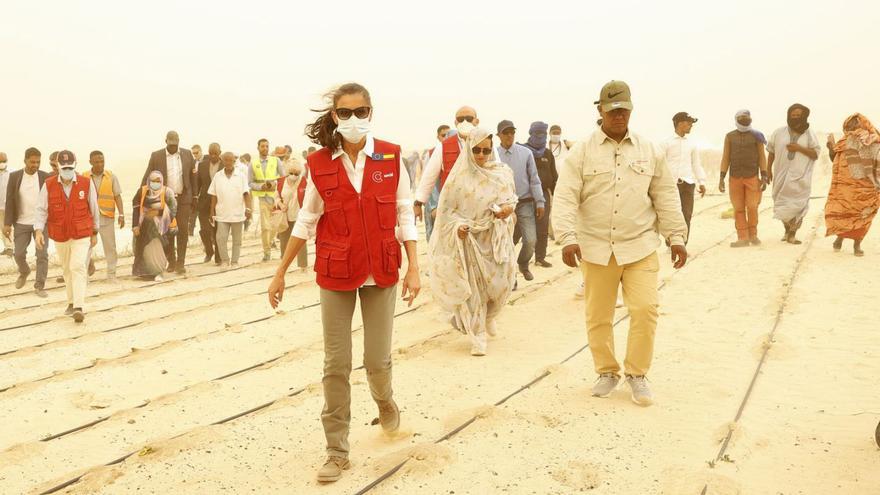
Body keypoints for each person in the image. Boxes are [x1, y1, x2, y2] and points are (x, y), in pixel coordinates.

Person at [267, 83, 420, 483]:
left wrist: (415, 266)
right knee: (336, 364)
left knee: (376, 360)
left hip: (382, 270)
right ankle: (337, 449)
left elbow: (405, 214)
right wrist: (281, 270)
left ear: (371, 112)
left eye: (362, 111)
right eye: (346, 113)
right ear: (335, 117)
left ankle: (384, 402)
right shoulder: (318, 163)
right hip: (335, 273)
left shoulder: (390, 155)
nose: (354, 119)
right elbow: (306, 219)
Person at [553, 80, 688, 407]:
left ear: (631, 109)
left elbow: (665, 195)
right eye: (612, 110)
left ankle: (637, 374)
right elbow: (566, 196)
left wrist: (676, 237)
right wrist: (567, 237)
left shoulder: (649, 149)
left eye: (624, 110)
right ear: (600, 110)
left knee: (645, 309)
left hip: (640, 245)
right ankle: (607, 371)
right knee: (598, 315)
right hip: (596, 248)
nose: (618, 116)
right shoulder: (581, 151)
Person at [429, 127, 517, 356]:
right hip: (469, 242)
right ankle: (477, 336)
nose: (480, 155)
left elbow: (511, 201)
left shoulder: (502, 174)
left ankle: (489, 317)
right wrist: (459, 227)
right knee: (474, 290)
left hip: (495, 240)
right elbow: (447, 213)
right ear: (468, 149)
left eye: (485, 150)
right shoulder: (458, 180)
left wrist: (506, 210)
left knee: (500, 285)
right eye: (476, 150)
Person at [34, 151, 100, 322]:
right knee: (66, 269)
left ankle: (79, 307)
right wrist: (39, 231)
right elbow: (41, 210)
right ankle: (71, 303)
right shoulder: (48, 185)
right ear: (58, 167)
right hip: (60, 234)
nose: (67, 170)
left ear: (75, 165)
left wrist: (95, 231)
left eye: (70, 167)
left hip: (82, 233)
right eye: (64, 168)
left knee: (77, 266)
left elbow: (94, 207)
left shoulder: (86, 183)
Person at [495, 119, 545, 281]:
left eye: (512, 132)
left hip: (524, 203)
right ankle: (511, 278)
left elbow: (534, 179)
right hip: (502, 206)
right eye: (505, 133)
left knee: (531, 240)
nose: (509, 135)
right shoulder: (493, 155)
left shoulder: (525, 153)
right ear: (498, 135)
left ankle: (523, 263)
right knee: (507, 242)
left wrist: (540, 201)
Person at [825, 113, 880, 257]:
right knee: (845, 213)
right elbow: (836, 161)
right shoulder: (844, 141)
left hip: (866, 187)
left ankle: (857, 245)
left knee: (862, 215)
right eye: (849, 126)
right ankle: (839, 239)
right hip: (845, 187)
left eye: (855, 125)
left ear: (862, 124)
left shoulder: (872, 139)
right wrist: (831, 147)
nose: (852, 128)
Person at [141, 130, 196, 274]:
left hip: (183, 198)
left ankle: (181, 263)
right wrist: (141, 198)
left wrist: (194, 196)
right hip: (164, 200)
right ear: (165, 141)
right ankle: (171, 261)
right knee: (167, 231)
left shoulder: (187, 154)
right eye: (170, 144)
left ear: (179, 141)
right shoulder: (156, 156)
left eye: (175, 144)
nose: (173, 147)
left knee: (182, 230)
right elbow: (148, 177)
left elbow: (192, 176)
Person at [413, 106, 480, 222]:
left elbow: (498, 173)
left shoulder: (486, 143)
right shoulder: (443, 147)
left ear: (476, 121)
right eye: (460, 119)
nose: (464, 122)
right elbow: (429, 176)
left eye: (469, 118)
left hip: (480, 205)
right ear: (455, 122)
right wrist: (418, 203)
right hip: (453, 208)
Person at [768, 104, 820, 244]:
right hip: (780, 175)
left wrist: (798, 148)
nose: (795, 117)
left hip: (801, 176)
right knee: (781, 204)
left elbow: (815, 154)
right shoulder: (779, 132)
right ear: (788, 115)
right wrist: (767, 169)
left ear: (804, 117)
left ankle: (792, 233)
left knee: (798, 205)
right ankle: (786, 230)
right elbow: (771, 152)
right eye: (793, 115)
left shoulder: (809, 133)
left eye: (798, 115)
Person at [3, 147, 50, 297]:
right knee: (18, 254)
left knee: (42, 255)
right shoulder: (15, 176)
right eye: (32, 162)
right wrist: (7, 223)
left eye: (38, 162)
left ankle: (39, 285)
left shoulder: (45, 177)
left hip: (40, 224)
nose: (35, 165)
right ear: (25, 161)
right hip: (21, 223)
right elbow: (10, 201)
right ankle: (24, 271)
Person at [719, 110, 770, 247]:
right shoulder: (730, 136)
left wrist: (764, 176)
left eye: (746, 117)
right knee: (738, 208)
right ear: (736, 119)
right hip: (734, 177)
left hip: (752, 177)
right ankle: (742, 237)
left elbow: (762, 157)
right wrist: (721, 178)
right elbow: (726, 157)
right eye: (741, 118)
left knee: (752, 206)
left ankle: (753, 235)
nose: (744, 119)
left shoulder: (757, 136)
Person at [660, 112, 707, 243]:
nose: (691, 125)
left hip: (688, 183)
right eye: (689, 122)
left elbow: (696, 164)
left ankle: (682, 244)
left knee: (687, 215)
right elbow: (659, 165)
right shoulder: (665, 143)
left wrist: (701, 181)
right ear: (679, 123)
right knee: (672, 215)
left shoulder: (691, 144)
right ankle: (671, 243)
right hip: (671, 184)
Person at [83, 150, 125, 281]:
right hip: (89, 219)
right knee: (86, 248)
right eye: (97, 162)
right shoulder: (83, 177)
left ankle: (111, 274)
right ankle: (84, 276)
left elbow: (117, 196)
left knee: (110, 247)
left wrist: (122, 214)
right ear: (90, 162)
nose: (100, 164)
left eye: (102, 161)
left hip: (107, 217)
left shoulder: (111, 176)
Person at [522, 121, 557, 268]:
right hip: (526, 196)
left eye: (543, 133)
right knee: (525, 229)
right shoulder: (523, 151)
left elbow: (553, 176)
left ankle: (540, 258)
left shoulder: (548, 154)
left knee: (542, 228)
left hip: (543, 195)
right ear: (531, 134)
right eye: (537, 133)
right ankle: (523, 259)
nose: (540, 136)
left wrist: (557, 194)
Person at [132, 171, 177, 281]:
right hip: (145, 227)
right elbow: (136, 209)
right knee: (145, 249)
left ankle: (159, 272)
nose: (155, 183)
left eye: (158, 181)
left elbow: (173, 210)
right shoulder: (142, 191)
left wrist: (158, 213)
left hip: (162, 227)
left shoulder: (167, 192)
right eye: (153, 181)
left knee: (159, 250)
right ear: (148, 181)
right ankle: (145, 273)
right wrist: (135, 226)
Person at [209, 152, 252, 266]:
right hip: (222, 213)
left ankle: (234, 261)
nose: (228, 162)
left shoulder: (241, 176)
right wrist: (211, 211)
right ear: (222, 161)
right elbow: (213, 195)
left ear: (234, 161)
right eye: (226, 160)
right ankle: (225, 260)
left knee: (237, 240)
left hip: (237, 213)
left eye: (230, 160)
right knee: (220, 238)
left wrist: (248, 208)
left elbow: (246, 194)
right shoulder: (218, 176)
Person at [249, 138, 283, 261]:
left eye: (267, 146)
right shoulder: (252, 163)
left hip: (275, 198)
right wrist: (260, 186)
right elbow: (250, 183)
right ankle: (267, 252)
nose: (265, 148)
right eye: (262, 146)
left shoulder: (276, 161)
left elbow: (283, 177)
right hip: (262, 198)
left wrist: (275, 183)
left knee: (275, 226)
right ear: (258, 148)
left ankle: (271, 241)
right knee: (265, 227)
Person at [276, 159, 308, 270]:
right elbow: (276, 197)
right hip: (285, 215)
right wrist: (280, 204)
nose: (293, 176)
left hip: (299, 216)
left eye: (296, 174)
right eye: (291, 173)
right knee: (284, 240)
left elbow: (308, 198)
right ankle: (284, 265)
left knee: (300, 240)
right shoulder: (280, 182)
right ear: (287, 171)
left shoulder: (304, 182)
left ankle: (303, 265)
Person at [195, 143, 222, 264]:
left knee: (218, 230)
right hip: (204, 203)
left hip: (220, 202)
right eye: (211, 153)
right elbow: (198, 185)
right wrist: (195, 199)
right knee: (204, 230)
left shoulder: (224, 165)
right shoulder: (202, 165)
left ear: (220, 152)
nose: (213, 156)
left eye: (215, 153)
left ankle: (218, 256)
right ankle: (209, 251)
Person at [188, 144, 203, 236]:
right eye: (193, 153)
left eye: (196, 153)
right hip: (195, 191)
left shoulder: (206, 161)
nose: (195, 155)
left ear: (201, 151)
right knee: (193, 213)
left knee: (202, 214)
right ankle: (190, 232)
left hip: (204, 190)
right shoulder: (192, 162)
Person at [0, 152, 12, 256]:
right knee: (1, 227)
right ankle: (7, 247)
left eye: (4, 161)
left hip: (8, 206)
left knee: (7, 227)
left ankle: (10, 248)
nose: (2, 163)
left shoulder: (10, 175)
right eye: (0, 161)